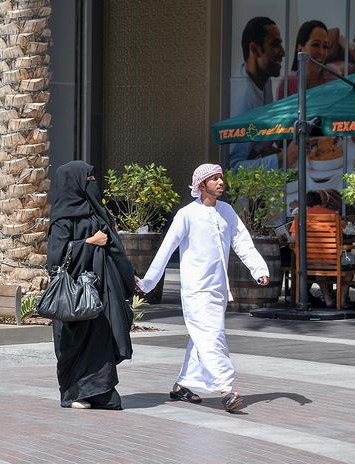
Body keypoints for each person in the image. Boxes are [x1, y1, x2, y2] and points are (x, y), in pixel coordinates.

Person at [136, 164, 269, 412]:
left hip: (218, 290)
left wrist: (259, 270)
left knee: (201, 339)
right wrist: (147, 283)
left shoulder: (227, 212)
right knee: (212, 338)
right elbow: (166, 249)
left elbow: (243, 242)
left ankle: (182, 386)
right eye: (214, 178)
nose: (220, 182)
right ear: (201, 185)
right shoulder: (186, 214)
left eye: (221, 178)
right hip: (195, 290)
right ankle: (227, 390)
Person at [46, 161, 136, 410]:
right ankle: (73, 392)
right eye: (89, 179)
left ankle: (100, 390)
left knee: (101, 338)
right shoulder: (62, 219)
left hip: (103, 289)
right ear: (74, 182)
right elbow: (55, 259)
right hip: (77, 294)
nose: (93, 184)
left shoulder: (96, 212)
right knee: (76, 340)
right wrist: (88, 242)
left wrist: (129, 275)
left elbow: (116, 248)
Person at [230, 17, 296, 170]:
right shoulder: (242, 99)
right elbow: (232, 169)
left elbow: (256, 142)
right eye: (274, 45)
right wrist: (281, 159)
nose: (283, 52)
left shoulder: (263, 79)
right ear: (254, 49)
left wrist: (262, 150)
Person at [277, 20, 338, 99]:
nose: (322, 52)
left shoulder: (332, 76)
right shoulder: (287, 84)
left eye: (325, 46)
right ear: (300, 49)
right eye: (315, 45)